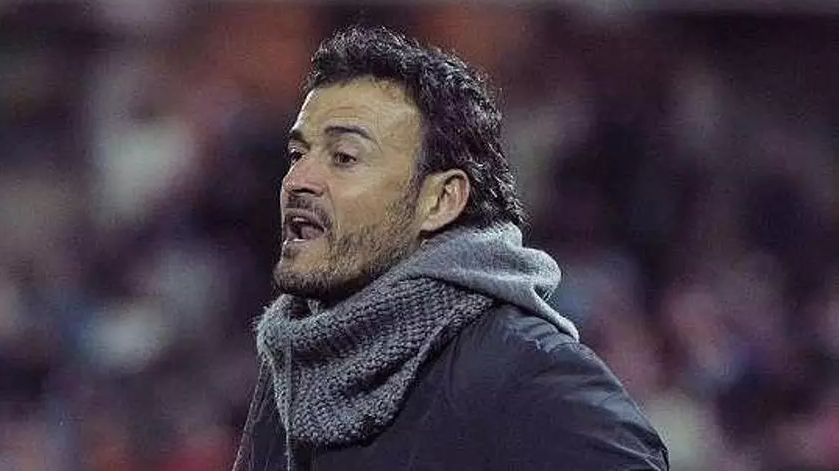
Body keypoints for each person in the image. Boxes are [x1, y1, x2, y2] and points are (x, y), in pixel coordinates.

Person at [232, 26, 669, 471]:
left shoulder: (523, 371)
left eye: (344, 157)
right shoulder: (295, 362)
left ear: (441, 200)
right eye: (297, 155)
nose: (298, 180)